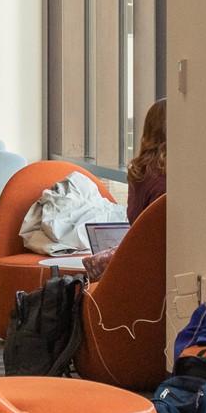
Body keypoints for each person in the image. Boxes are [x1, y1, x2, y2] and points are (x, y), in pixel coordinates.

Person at [82, 98, 167, 281]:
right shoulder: (174, 177)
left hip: (139, 261)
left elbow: (136, 220)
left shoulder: (139, 171)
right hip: (159, 266)